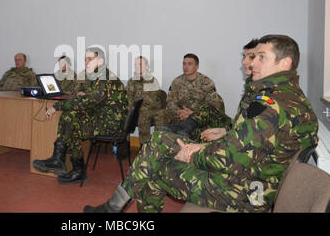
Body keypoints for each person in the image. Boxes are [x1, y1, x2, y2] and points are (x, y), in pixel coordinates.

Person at [84, 35, 318, 213]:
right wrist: (225, 132)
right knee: (157, 143)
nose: (252, 63)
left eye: (261, 57)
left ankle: (113, 207)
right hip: (249, 177)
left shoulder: (271, 104)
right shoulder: (289, 98)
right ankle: (113, 207)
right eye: (253, 56)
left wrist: (192, 153)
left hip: (246, 191)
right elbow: (255, 143)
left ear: (285, 63)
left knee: (152, 167)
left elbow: (228, 157)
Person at [32, 46, 129, 184]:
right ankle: (59, 159)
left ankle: (74, 168)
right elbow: (93, 99)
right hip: (103, 115)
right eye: (85, 59)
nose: (86, 62)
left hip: (111, 122)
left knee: (72, 123)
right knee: (70, 115)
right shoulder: (100, 75)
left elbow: (89, 101)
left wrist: (56, 106)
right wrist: (84, 97)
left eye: (90, 59)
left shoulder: (105, 78)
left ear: (100, 61)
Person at [126, 56, 164, 145]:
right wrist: (130, 109)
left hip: (151, 110)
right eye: (135, 65)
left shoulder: (152, 81)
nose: (137, 66)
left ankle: (147, 146)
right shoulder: (132, 81)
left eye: (140, 64)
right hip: (136, 110)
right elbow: (128, 98)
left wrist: (137, 108)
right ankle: (125, 143)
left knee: (143, 115)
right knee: (124, 114)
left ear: (147, 66)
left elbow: (152, 102)